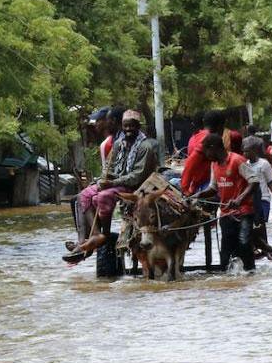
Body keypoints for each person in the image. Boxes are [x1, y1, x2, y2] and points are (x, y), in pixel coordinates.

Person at [65, 110, 158, 262]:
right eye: (125, 126)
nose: (128, 130)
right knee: (84, 195)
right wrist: (103, 180)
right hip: (115, 182)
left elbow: (137, 176)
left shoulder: (145, 147)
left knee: (102, 197)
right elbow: (110, 167)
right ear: (122, 126)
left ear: (138, 126)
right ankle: (90, 236)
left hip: (134, 187)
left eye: (132, 126)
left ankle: (105, 233)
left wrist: (112, 183)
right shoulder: (118, 144)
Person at [193, 133, 260, 271]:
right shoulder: (214, 165)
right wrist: (198, 195)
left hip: (243, 212)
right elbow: (213, 188)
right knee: (226, 253)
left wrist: (239, 199)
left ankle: (251, 273)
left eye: (206, 150)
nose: (205, 154)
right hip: (225, 214)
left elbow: (254, 181)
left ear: (213, 148)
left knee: (243, 242)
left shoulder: (236, 160)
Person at [243, 136, 272, 260]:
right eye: (244, 151)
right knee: (252, 226)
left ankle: (266, 250)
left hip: (264, 199)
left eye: (247, 151)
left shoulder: (264, 164)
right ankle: (257, 249)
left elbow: (270, 183)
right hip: (250, 201)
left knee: (261, 224)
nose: (245, 153)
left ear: (254, 150)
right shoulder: (244, 165)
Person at [181, 110, 225, 195]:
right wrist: (184, 188)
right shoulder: (208, 139)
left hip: (196, 184)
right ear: (220, 126)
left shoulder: (194, 137)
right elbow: (190, 163)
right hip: (203, 184)